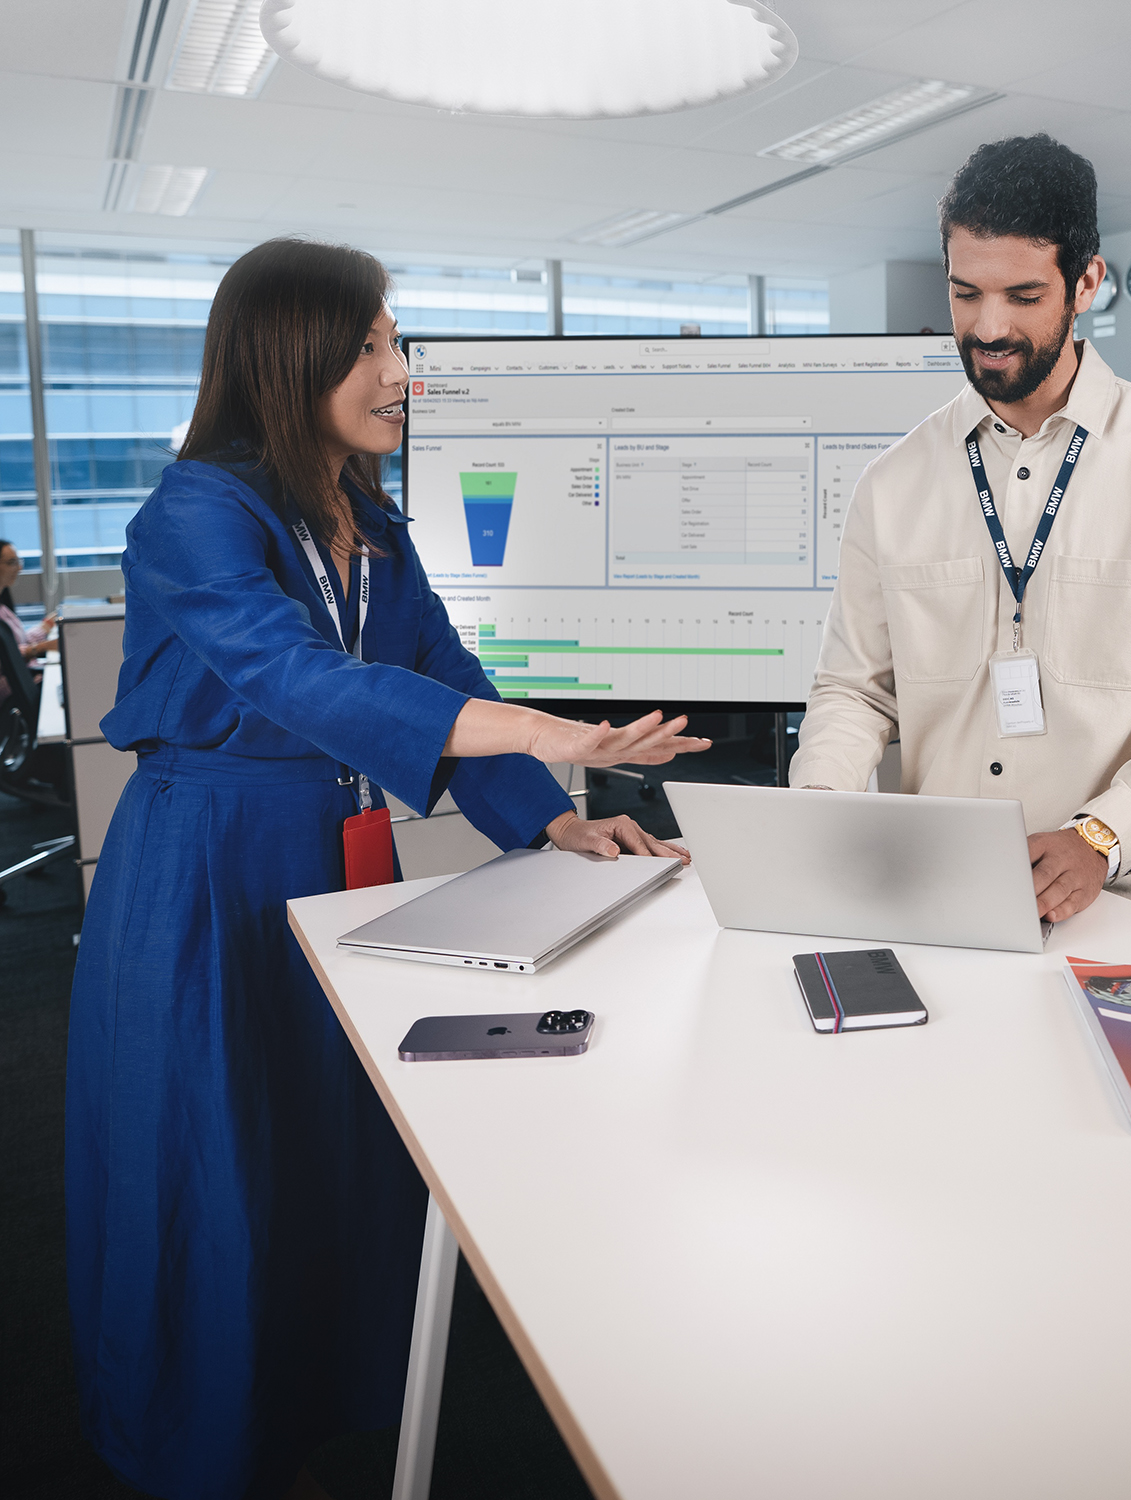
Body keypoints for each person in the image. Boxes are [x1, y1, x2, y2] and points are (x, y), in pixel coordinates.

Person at [65, 238, 711, 1500]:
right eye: (369, 346)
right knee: (213, 1150)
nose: (400, 371)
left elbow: (442, 673)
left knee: (329, 1141)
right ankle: (193, 1440)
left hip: (333, 853)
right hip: (206, 868)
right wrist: (542, 733)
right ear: (286, 353)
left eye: (395, 343)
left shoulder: (369, 518)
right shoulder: (196, 511)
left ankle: (318, 1400)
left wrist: (551, 823)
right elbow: (296, 677)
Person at [789, 134, 1131, 924]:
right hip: (935, 890)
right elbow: (856, 688)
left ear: (1086, 283)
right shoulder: (893, 482)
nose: (987, 327)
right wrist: (819, 802)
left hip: (1122, 901)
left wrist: (1102, 835)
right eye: (965, 293)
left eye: (1021, 296)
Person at [0, 537, 56, 703]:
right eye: (12, 562)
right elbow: (8, 658)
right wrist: (39, 648)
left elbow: (18, 641)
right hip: (12, 694)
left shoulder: (3, 608)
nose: (19, 568)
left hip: (26, 683)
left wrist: (47, 625)